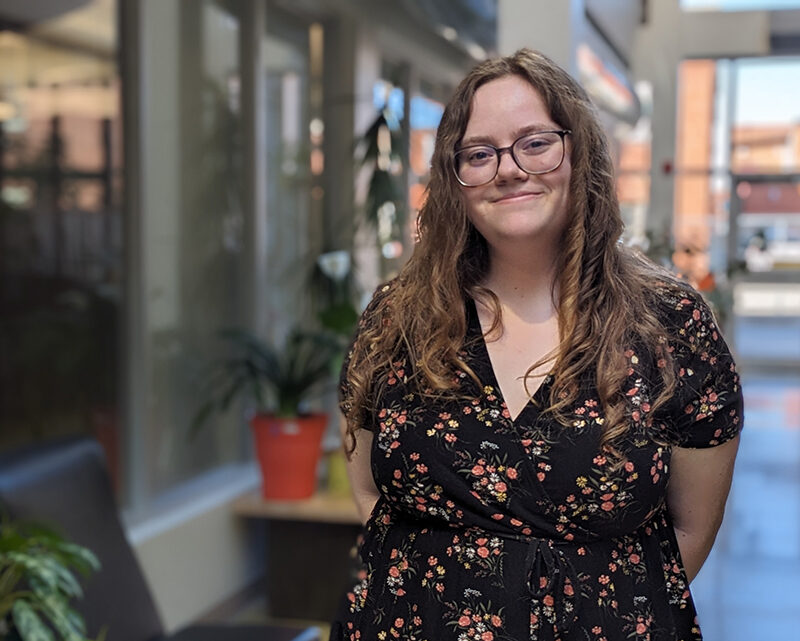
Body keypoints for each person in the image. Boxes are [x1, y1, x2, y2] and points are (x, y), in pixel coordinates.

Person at [333, 48, 742, 641]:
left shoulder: (669, 325)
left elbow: (692, 530)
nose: (508, 169)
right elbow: (371, 492)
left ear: (579, 152)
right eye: (479, 153)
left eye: (535, 142)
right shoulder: (398, 317)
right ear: (454, 179)